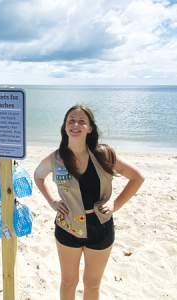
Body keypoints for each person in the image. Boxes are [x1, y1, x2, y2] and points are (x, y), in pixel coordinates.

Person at [34, 104, 145, 300]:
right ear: (65, 126)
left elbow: (137, 177)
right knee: (68, 282)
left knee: (92, 285)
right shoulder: (56, 158)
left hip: (99, 227)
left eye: (81, 121)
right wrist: (52, 202)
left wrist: (116, 205)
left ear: (90, 128)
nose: (75, 125)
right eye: (71, 120)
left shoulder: (103, 155)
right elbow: (38, 176)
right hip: (68, 226)